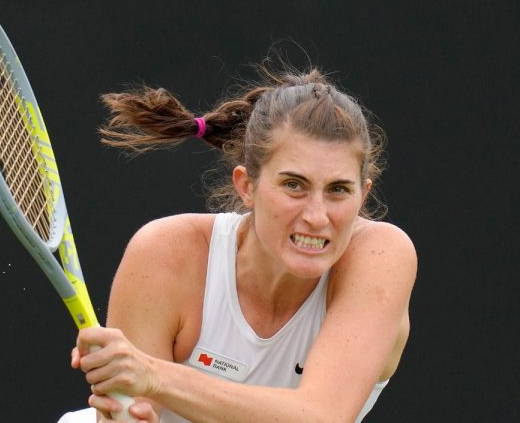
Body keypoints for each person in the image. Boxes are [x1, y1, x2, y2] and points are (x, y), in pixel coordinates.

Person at [59, 64, 417, 423]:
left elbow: (319, 416)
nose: (317, 216)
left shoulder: (382, 255)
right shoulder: (165, 252)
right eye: (294, 185)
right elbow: (128, 416)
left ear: (363, 194)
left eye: (338, 190)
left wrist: (156, 376)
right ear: (246, 186)